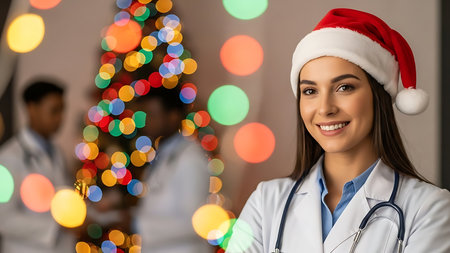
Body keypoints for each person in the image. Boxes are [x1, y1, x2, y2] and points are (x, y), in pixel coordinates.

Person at [226, 8, 450, 253]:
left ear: (378, 95)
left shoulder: (430, 209)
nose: (325, 108)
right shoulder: (265, 202)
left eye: (344, 87)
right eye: (310, 91)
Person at [133, 87, 211, 253]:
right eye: (146, 115)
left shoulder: (191, 159)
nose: (147, 122)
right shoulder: (164, 154)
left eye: (153, 115)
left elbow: (193, 223)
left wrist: (136, 224)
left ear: (173, 116)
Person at [0, 80, 75, 252]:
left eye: (62, 110)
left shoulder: (57, 153)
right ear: (31, 109)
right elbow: (3, 218)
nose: (60, 118)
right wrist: (56, 227)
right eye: (54, 111)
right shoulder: (7, 158)